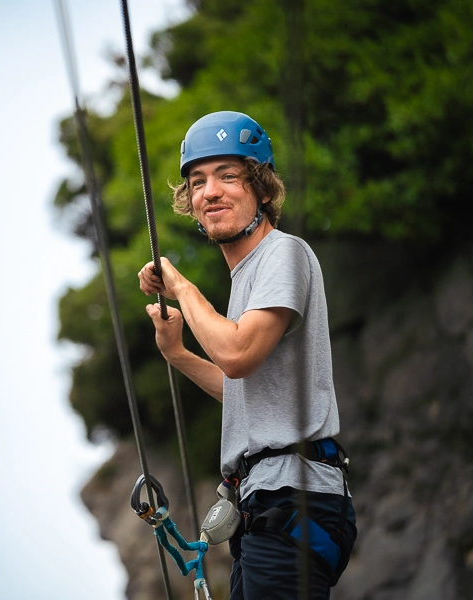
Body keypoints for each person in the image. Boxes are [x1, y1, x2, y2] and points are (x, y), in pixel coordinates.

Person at [137, 111, 356, 599]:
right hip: (267, 505)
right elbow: (249, 394)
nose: (209, 191)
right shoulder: (247, 282)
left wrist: (181, 286)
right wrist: (179, 355)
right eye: (197, 182)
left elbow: (237, 355)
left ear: (261, 187)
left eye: (228, 176)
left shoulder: (284, 254)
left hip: (292, 498)